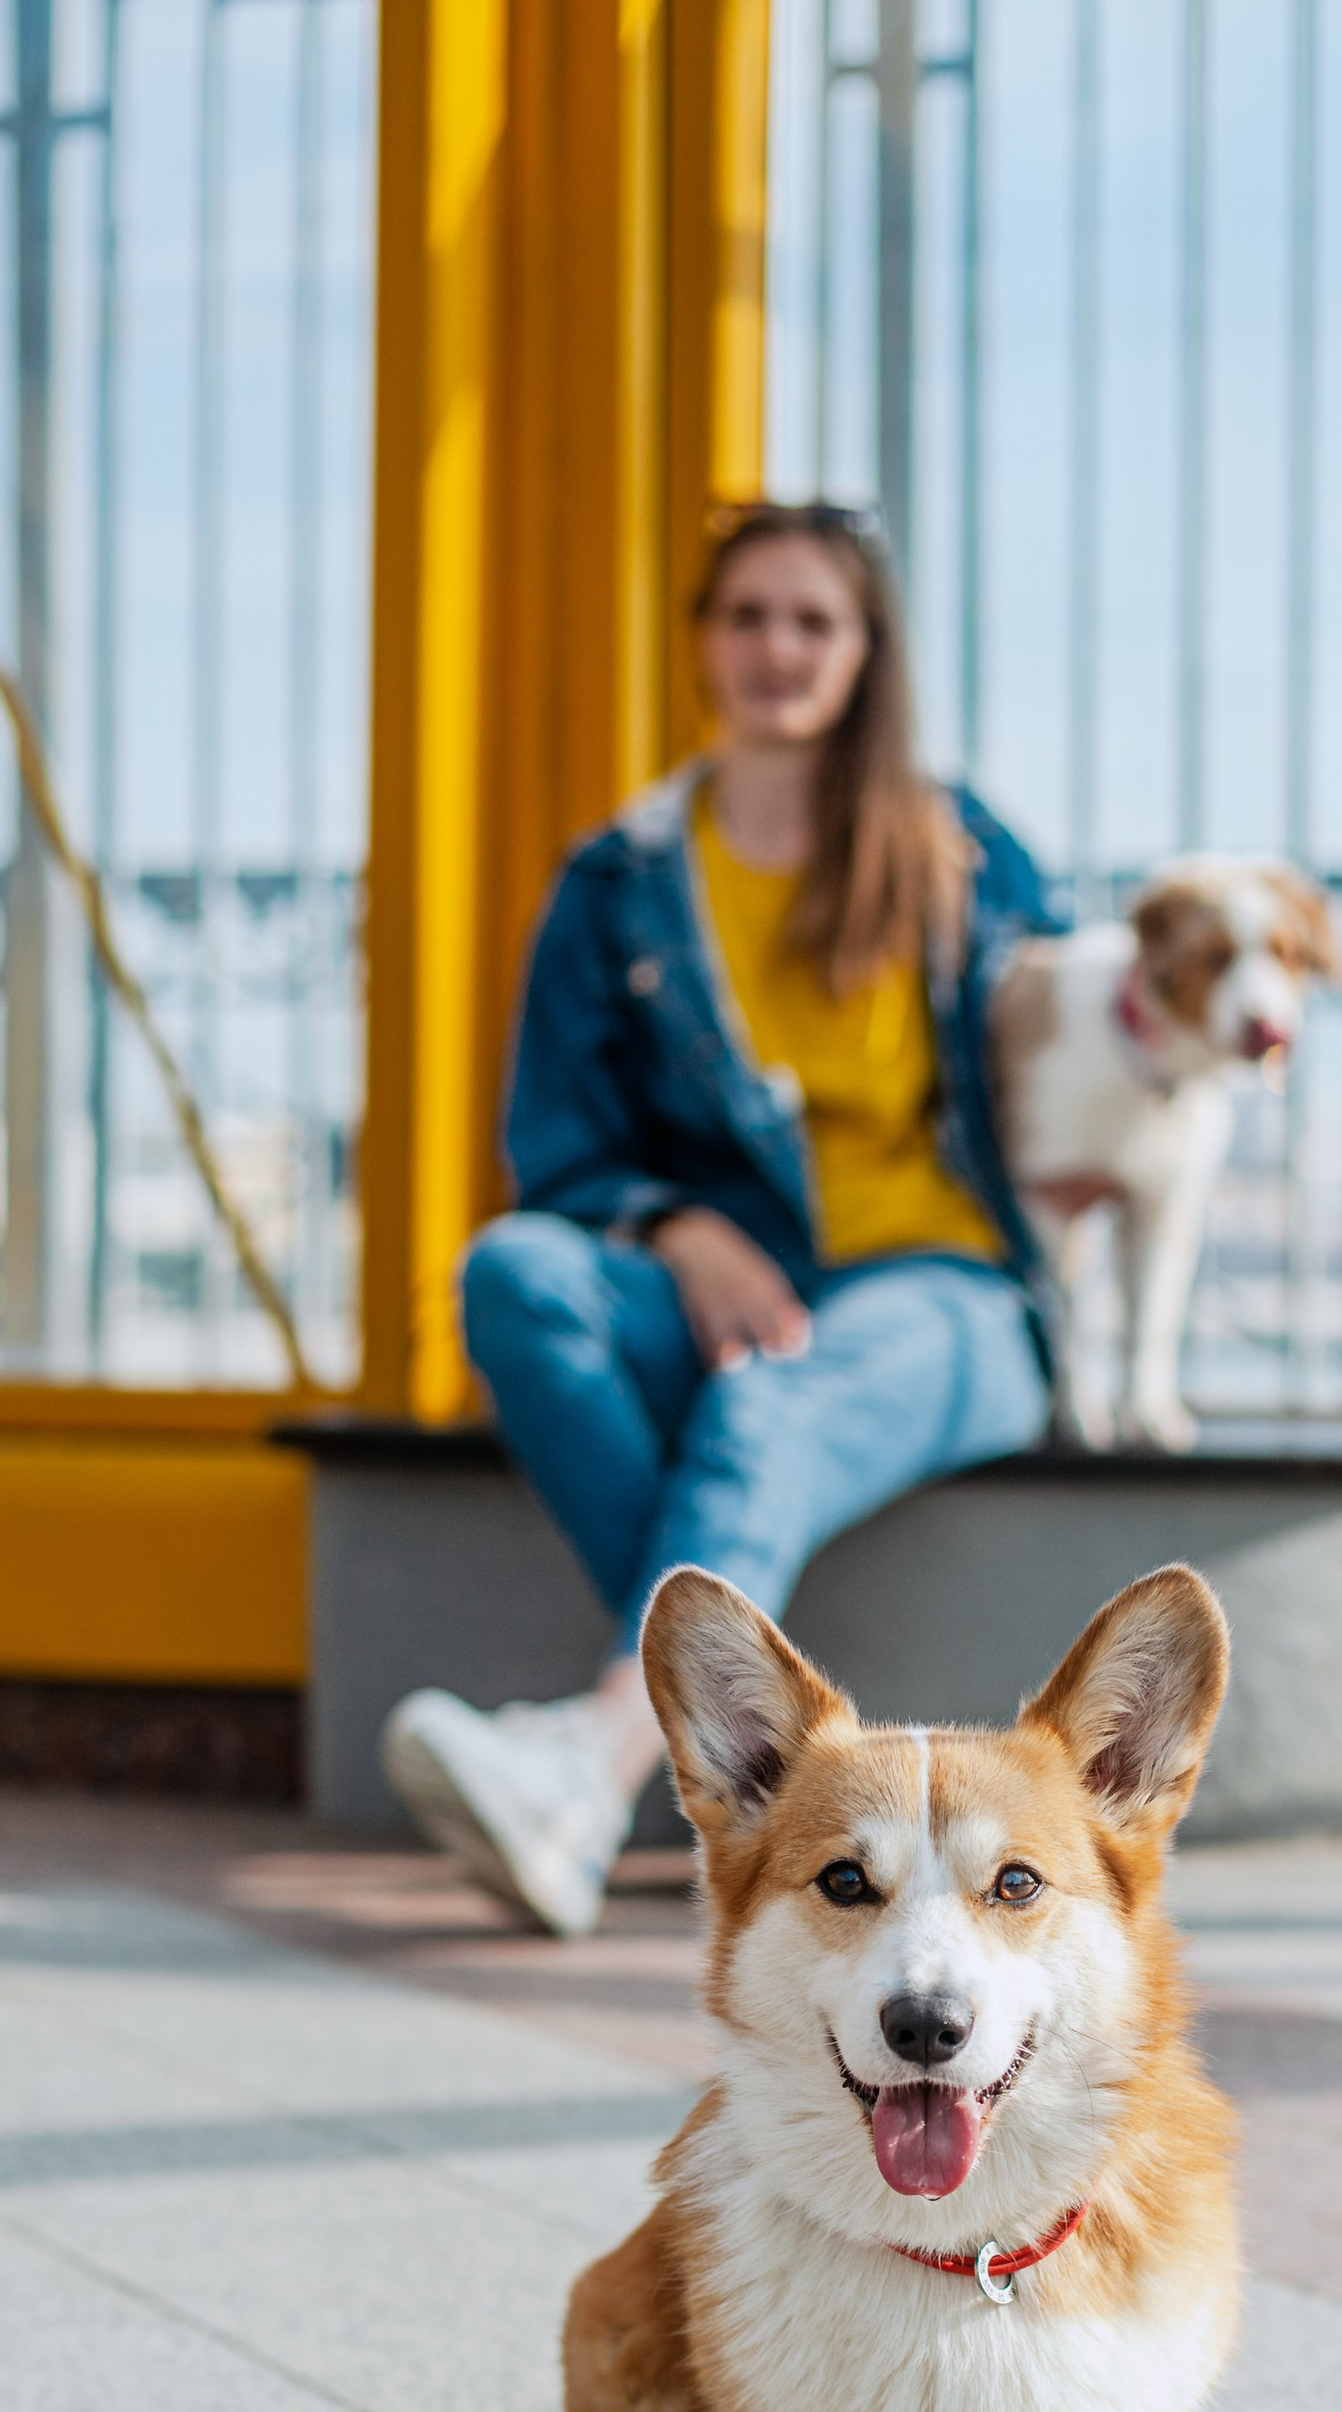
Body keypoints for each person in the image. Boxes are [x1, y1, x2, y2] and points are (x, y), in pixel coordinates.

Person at [380, 501, 1066, 1936]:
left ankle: (592, 1764)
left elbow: (1080, 1041)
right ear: (701, 639)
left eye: (814, 619)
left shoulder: (961, 852)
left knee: (764, 1411)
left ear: (868, 648)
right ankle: (725, 1749)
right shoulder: (622, 881)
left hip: (949, 1294)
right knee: (516, 1276)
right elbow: (554, 1150)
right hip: (734, 1277)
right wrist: (674, 1223)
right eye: (747, 614)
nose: (777, 648)